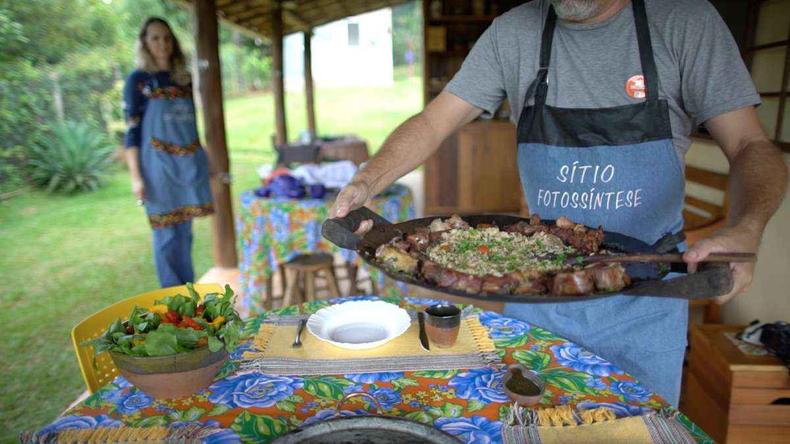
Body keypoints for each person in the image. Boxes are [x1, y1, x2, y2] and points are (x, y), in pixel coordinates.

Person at [330, 0, 788, 406]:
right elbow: (433, 122)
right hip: (535, 302)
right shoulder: (515, 32)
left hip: (645, 304)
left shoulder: (685, 21)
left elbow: (751, 144)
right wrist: (368, 181)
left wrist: (747, 227)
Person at [123, 17, 213, 288]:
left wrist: (204, 158)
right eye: (155, 38)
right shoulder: (138, 81)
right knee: (166, 235)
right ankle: (172, 302)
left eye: (166, 37)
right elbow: (132, 131)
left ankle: (188, 296)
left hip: (187, 165)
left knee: (185, 234)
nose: (162, 44)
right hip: (157, 168)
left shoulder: (182, 79)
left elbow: (190, 125)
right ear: (145, 43)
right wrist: (136, 177)